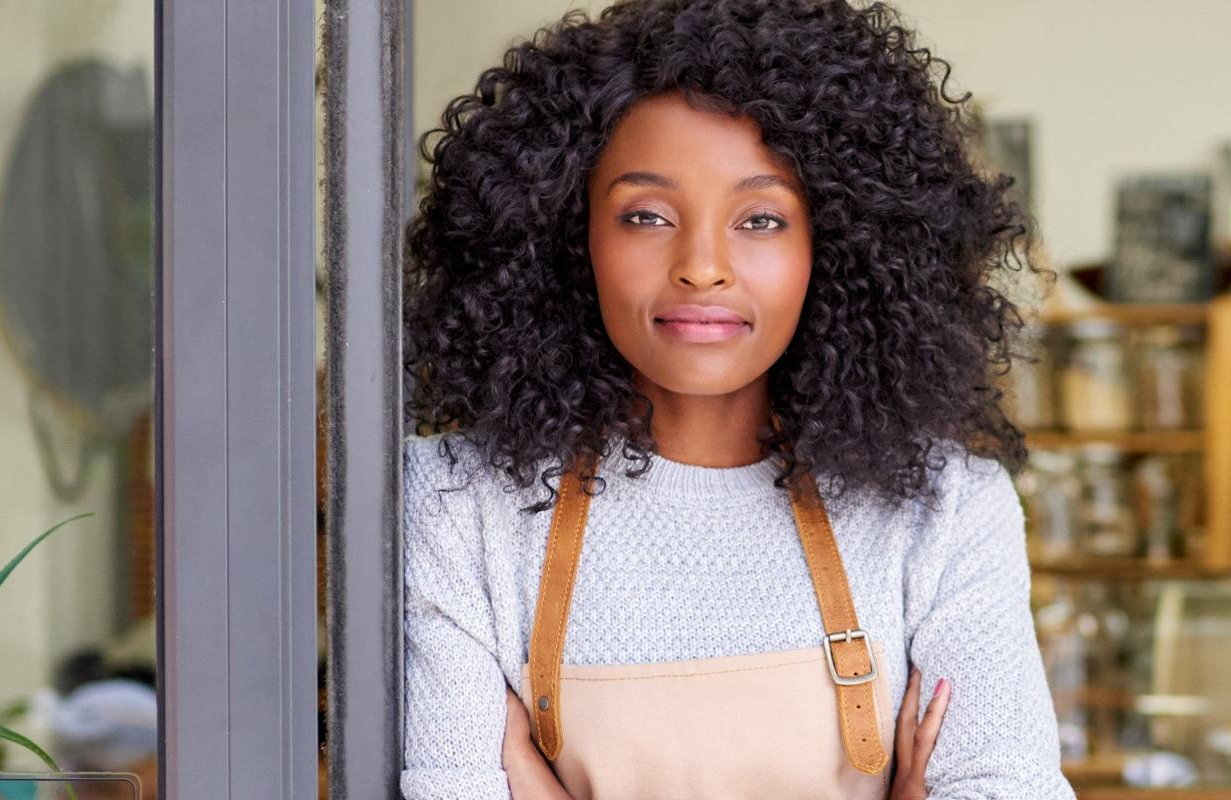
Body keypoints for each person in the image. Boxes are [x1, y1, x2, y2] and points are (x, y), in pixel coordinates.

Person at [398, 1, 1068, 797]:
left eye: (761, 218)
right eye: (645, 215)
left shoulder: (948, 510)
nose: (703, 266)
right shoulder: (454, 503)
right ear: (566, 237)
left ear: (843, 247)